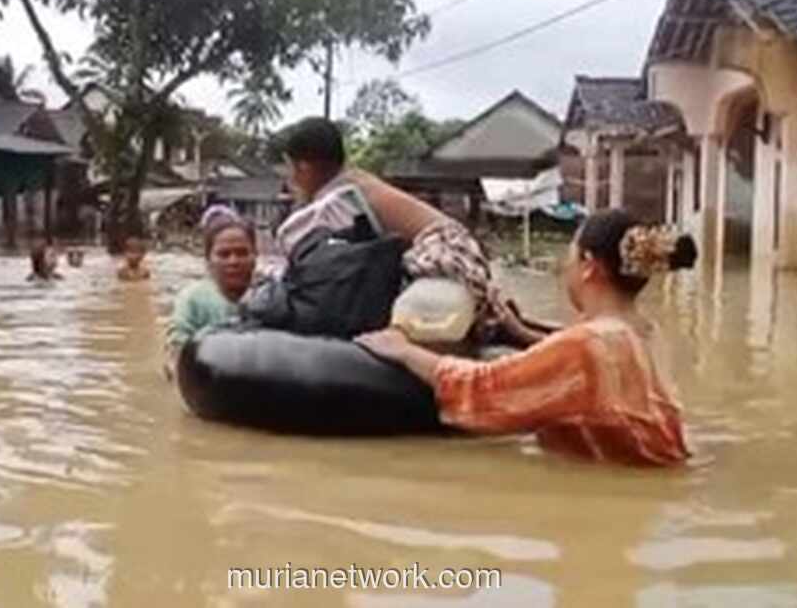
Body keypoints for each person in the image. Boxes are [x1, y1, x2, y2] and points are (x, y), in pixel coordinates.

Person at [356, 210, 697, 467]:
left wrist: (402, 350)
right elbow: (588, 378)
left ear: (589, 266)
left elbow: (483, 388)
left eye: (571, 257)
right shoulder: (644, 332)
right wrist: (523, 335)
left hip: (614, 487)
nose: (566, 270)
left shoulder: (588, 345)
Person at [274, 117, 491, 311]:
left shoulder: (342, 197)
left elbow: (294, 241)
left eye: (289, 168)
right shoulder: (356, 181)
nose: (290, 179)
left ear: (303, 167)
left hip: (450, 259)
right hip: (463, 257)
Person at [167, 207, 258, 347]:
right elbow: (175, 351)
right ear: (208, 260)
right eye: (224, 254)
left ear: (255, 256)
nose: (233, 261)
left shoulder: (272, 297)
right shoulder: (192, 300)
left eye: (242, 253)